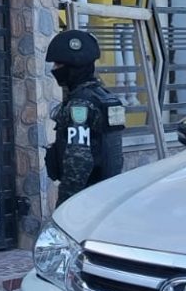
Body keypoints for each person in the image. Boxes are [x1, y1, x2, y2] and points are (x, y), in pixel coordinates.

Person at [44, 29, 125, 205]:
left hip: (86, 198)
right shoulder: (104, 97)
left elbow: (79, 160)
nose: (54, 69)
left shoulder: (80, 105)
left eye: (58, 65)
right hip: (107, 192)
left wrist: (65, 205)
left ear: (72, 68)